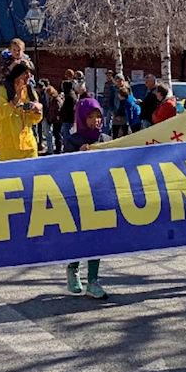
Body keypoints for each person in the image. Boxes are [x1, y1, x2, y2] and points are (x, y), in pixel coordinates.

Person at [63, 98, 111, 299]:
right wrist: (78, 155)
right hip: (79, 195)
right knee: (81, 236)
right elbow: (63, 166)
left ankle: (93, 281)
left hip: (100, 195)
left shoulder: (106, 139)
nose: (95, 121)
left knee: (97, 238)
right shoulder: (73, 140)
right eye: (90, 117)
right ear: (82, 118)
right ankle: (73, 268)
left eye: (98, 116)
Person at [0, 61, 43, 161]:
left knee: (32, 170)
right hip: (8, 147)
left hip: (28, 145)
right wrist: (16, 99)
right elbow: (1, 113)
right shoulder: (2, 91)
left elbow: (35, 120)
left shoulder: (30, 91)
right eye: (25, 73)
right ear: (16, 74)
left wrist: (37, 110)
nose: (28, 76)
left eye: (30, 73)